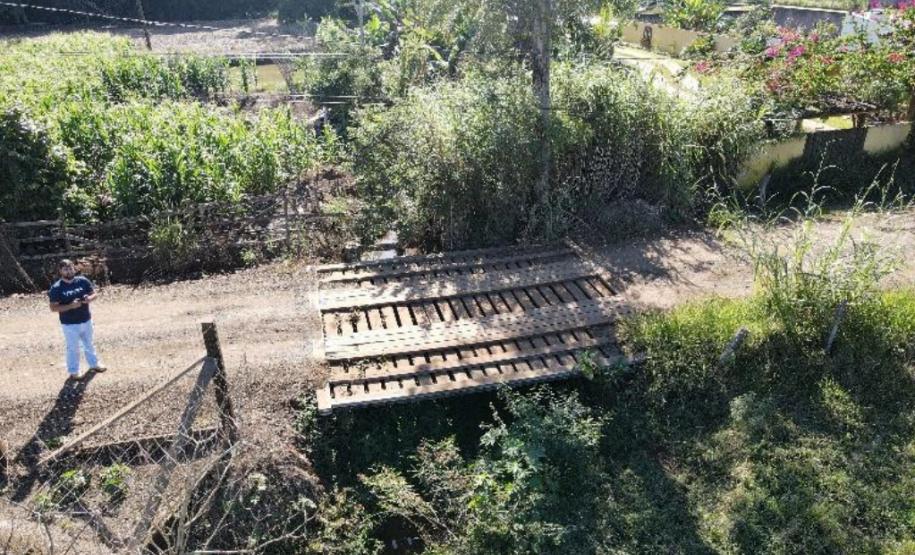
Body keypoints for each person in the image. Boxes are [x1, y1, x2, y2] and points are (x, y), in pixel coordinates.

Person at [48, 259, 106, 380]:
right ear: (60, 271)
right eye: (65, 269)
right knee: (73, 347)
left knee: (89, 343)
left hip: (86, 319)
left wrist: (89, 299)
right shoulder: (56, 288)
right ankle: (74, 371)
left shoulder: (82, 281)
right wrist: (71, 306)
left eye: (70, 268)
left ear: (74, 268)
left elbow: (94, 294)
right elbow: (53, 308)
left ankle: (94, 364)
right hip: (69, 324)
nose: (68, 271)